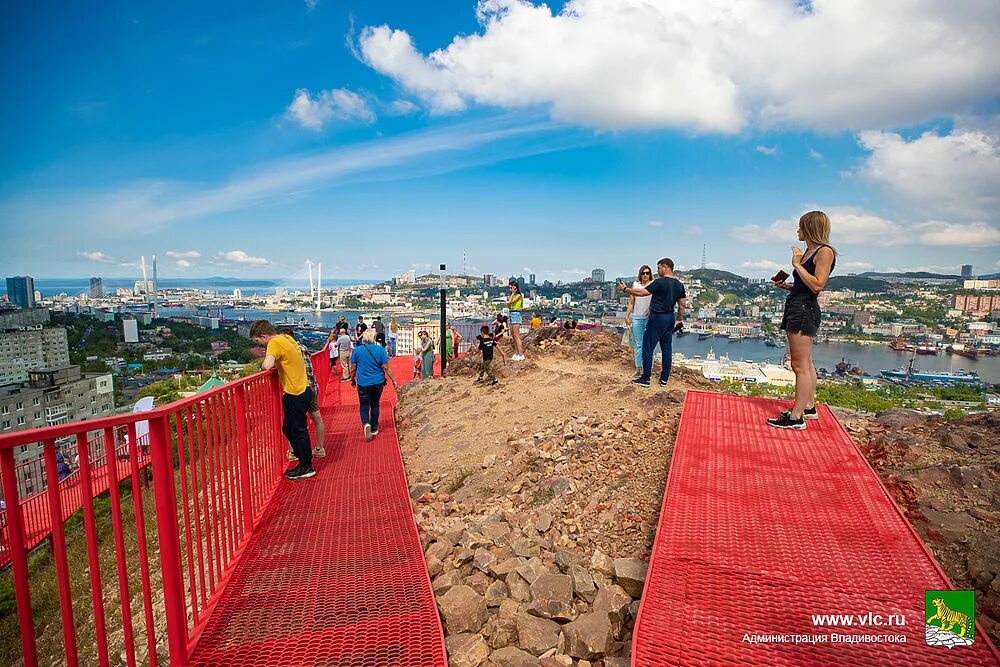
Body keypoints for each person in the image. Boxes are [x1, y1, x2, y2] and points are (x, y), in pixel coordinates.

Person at [767, 211, 837, 430]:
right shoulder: (810, 251)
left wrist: (797, 264)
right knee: (806, 363)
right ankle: (808, 406)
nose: (797, 230)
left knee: (799, 365)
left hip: (803, 311)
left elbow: (817, 285)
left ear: (809, 228)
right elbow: (805, 286)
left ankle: (796, 417)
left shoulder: (824, 252)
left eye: (800, 227)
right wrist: (787, 286)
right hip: (797, 306)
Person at [251, 320, 315, 479]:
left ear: (264, 336)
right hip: (303, 388)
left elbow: (267, 365)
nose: (260, 346)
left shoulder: (274, 343)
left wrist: (262, 365)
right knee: (288, 428)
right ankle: (303, 461)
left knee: (298, 430)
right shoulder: (286, 338)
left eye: (259, 342)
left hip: (295, 392)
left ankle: (306, 465)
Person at [620, 258, 686, 388]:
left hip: (657, 318)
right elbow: (682, 305)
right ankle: (664, 379)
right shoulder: (679, 285)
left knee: (647, 347)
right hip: (670, 318)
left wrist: (625, 289)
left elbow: (642, 292)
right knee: (667, 349)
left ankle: (645, 379)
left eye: (659, 268)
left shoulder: (660, 282)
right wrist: (679, 319)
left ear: (665, 268)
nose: (657, 271)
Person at [279, 328, 326, 459]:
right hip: (312, 386)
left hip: (298, 389)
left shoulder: (287, 350)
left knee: (292, 421)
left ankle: (293, 452)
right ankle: (319, 448)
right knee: (316, 418)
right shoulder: (303, 347)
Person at [350, 329, 398, 441]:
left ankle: (366, 424)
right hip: (378, 382)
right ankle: (374, 427)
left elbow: (352, 368)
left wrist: (352, 379)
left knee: (364, 405)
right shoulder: (380, 349)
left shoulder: (357, 351)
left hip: (363, 382)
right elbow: (386, 367)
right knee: (375, 404)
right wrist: (394, 380)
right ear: (374, 337)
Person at [625, 264, 658, 378]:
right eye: (643, 273)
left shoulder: (653, 285)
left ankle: (648, 369)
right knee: (638, 345)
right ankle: (638, 368)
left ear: (650, 274)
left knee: (649, 345)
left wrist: (651, 310)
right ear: (640, 274)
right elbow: (631, 301)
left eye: (647, 273)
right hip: (637, 318)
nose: (645, 275)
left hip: (649, 319)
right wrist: (627, 315)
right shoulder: (635, 285)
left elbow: (656, 301)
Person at [507, 279, 526, 361]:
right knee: (513, 336)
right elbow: (509, 305)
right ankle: (516, 353)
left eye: (511, 288)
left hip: (516, 314)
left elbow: (509, 302)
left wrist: (513, 293)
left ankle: (521, 354)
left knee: (517, 336)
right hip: (511, 313)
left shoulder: (518, 296)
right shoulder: (513, 295)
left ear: (515, 288)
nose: (510, 289)